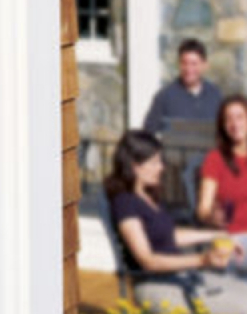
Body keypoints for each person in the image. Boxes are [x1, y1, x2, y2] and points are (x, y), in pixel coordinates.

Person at [105, 129, 246, 312]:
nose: (161, 167)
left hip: (179, 277)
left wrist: (218, 235)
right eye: (154, 162)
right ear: (135, 166)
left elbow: (170, 235)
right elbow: (148, 260)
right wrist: (203, 260)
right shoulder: (125, 203)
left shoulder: (148, 197)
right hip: (156, 285)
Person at [197, 94, 247, 274]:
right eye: (228, 119)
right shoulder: (215, 159)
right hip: (234, 238)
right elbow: (203, 210)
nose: (235, 124)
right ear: (223, 126)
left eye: (240, 117)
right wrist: (213, 216)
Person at [143, 39, 223, 134]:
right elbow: (148, 133)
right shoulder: (164, 97)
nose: (189, 69)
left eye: (194, 64)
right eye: (184, 63)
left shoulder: (215, 95)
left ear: (204, 65)